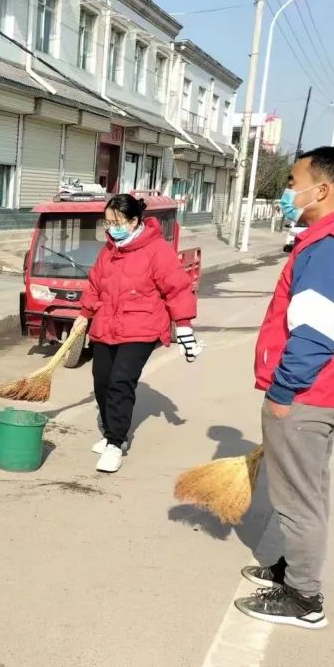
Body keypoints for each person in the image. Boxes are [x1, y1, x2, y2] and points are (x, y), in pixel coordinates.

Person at [236, 146, 334, 630]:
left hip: (305, 395)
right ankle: (293, 570)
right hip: (321, 393)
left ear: (321, 189)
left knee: (297, 499)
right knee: (308, 491)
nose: (286, 191)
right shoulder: (333, 236)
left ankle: (305, 599)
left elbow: (315, 333)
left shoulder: (328, 245)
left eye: (292, 181)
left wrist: (283, 392)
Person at [78, 193, 199, 474]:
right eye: (108, 222)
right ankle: (111, 432)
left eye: (118, 222)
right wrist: (84, 315)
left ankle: (114, 442)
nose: (112, 228)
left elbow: (177, 288)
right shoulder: (109, 249)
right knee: (102, 381)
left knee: (121, 381)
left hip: (141, 327)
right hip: (108, 324)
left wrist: (184, 328)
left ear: (134, 221)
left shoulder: (157, 250)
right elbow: (95, 284)